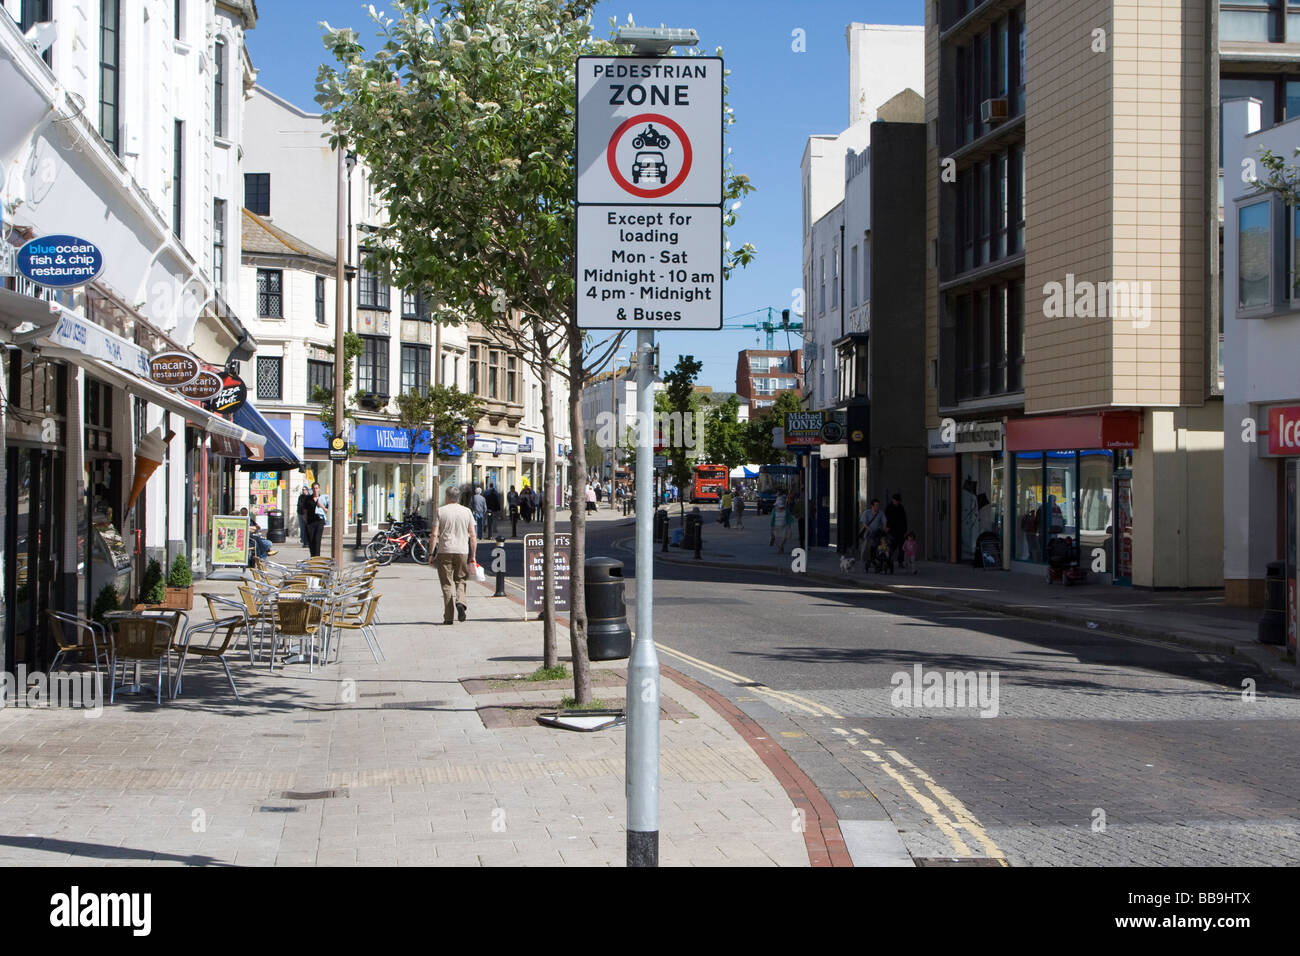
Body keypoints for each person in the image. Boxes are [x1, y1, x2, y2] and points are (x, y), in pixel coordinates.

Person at [431, 486, 477, 624]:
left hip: (444, 550)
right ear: (458, 497)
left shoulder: (440, 511)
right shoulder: (467, 511)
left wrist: (430, 554)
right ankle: (461, 602)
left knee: (446, 584)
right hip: (462, 550)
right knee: (461, 579)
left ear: (446, 496)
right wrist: (473, 556)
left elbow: (434, 534)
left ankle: (449, 617)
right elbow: (473, 535)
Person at [859, 499, 886, 569]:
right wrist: (869, 529)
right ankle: (863, 560)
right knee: (865, 546)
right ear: (872, 506)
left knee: (877, 546)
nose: (877, 507)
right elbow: (864, 523)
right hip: (868, 532)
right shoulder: (866, 512)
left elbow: (884, 521)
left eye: (878, 505)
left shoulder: (881, 513)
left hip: (877, 533)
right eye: (876, 505)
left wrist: (884, 528)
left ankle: (875, 559)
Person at [300, 484, 326, 557]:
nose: (315, 490)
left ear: (319, 489)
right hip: (310, 522)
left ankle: (317, 557)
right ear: (312, 489)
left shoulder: (322, 498)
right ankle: (313, 556)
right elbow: (305, 511)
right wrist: (306, 521)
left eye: (317, 488)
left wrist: (322, 506)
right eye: (314, 488)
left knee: (317, 540)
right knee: (311, 540)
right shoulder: (308, 499)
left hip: (319, 521)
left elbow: (326, 510)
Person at [885, 493, 909, 564]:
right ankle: (888, 559)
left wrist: (905, 530)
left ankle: (900, 561)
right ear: (893, 500)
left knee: (902, 547)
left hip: (900, 530)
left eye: (898, 501)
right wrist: (886, 527)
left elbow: (904, 520)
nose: (897, 502)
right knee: (892, 546)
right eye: (896, 501)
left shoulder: (901, 508)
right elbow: (886, 519)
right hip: (891, 530)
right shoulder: (889, 508)